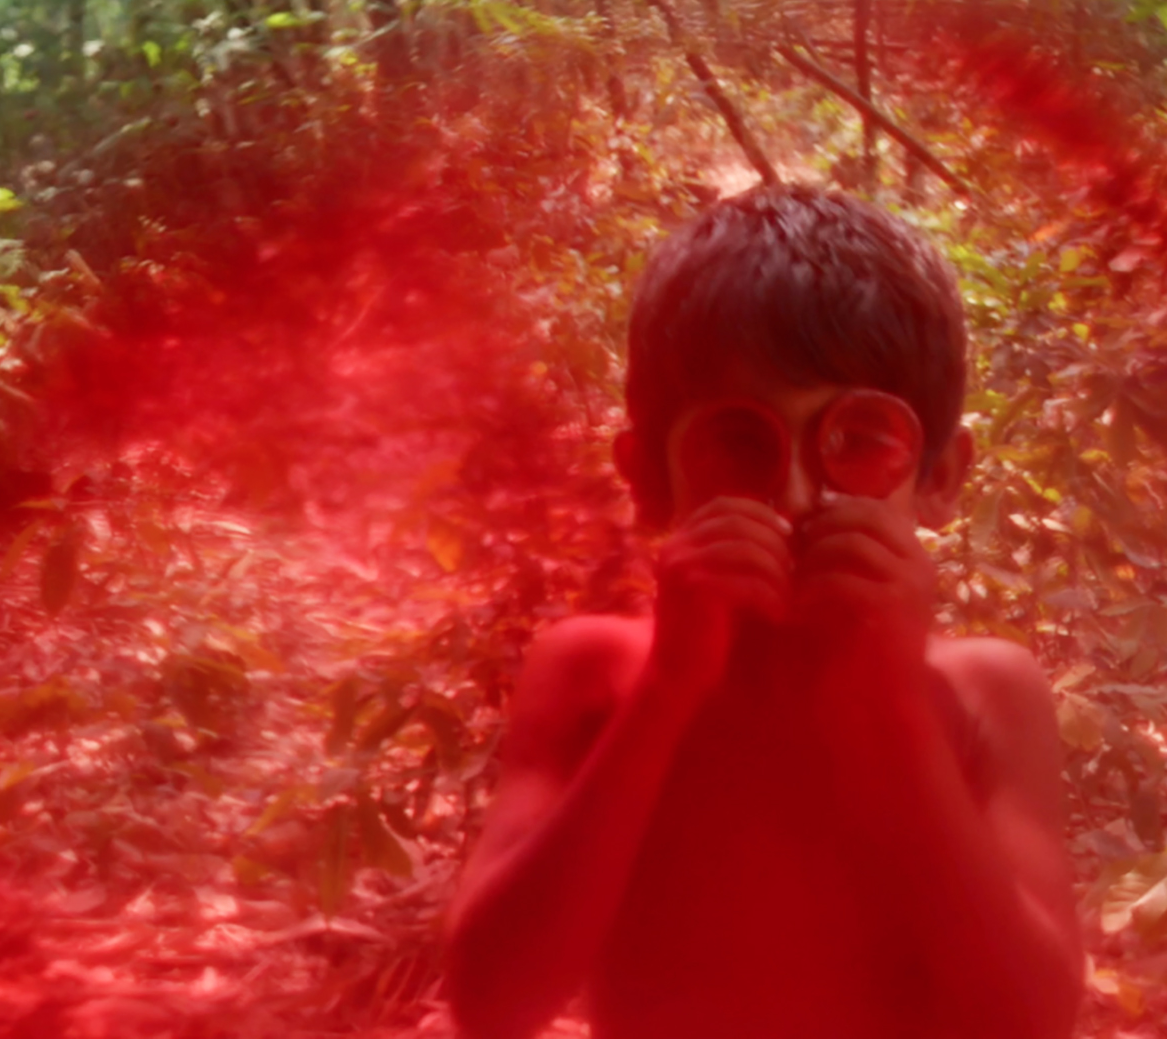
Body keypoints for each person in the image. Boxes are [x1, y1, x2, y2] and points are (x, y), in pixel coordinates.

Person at [444, 184, 1083, 1039]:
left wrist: (894, 710)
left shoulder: (983, 695)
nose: (796, 495)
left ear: (938, 476)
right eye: (740, 443)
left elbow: (1030, 1022)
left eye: (858, 438)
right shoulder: (594, 673)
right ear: (649, 479)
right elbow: (492, 1006)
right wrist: (665, 693)